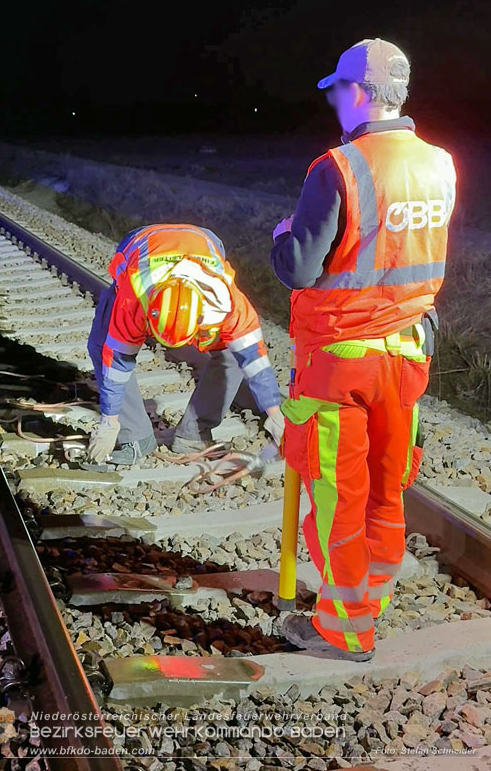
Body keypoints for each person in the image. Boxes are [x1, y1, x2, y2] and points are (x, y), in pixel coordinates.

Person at [271, 38, 456, 661]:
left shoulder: (339, 167)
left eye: (338, 90)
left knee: (336, 491)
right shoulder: (441, 163)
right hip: (407, 356)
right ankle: (371, 594)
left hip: (340, 360)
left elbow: (300, 268)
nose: (334, 102)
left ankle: (344, 629)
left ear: (360, 94)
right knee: (385, 485)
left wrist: (281, 238)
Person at [87, 223, 284, 465]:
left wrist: (274, 412)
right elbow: (117, 362)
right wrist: (109, 422)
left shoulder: (228, 303)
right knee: (102, 346)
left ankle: (193, 435)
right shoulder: (133, 297)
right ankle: (136, 438)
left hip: (206, 240)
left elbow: (254, 359)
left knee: (233, 354)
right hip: (140, 243)